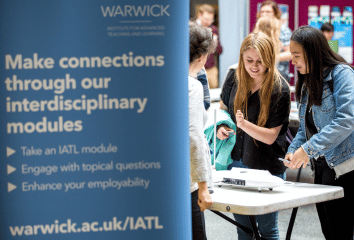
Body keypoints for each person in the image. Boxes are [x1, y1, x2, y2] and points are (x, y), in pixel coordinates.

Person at [218, 32, 291, 240]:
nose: (254, 66)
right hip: (235, 163)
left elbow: (270, 137)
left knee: (267, 231)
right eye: (249, 60)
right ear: (242, 57)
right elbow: (224, 109)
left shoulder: (280, 88)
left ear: (270, 59)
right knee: (243, 230)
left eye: (260, 61)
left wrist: (244, 125)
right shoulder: (234, 77)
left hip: (266, 168)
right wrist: (221, 126)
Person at [284, 26, 354, 240]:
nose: (293, 61)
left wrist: (308, 149)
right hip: (322, 168)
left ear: (313, 52)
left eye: (297, 56)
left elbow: (347, 119)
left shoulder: (342, 74)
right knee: (330, 231)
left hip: (345, 168)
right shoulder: (307, 81)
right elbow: (307, 128)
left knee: (341, 231)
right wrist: (294, 150)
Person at [189, 23, 214, 240]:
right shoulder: (191, 86)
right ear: (202, 57)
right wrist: (203, 186)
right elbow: (193, 135)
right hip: (185, 180)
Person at [258, 0, 292, 82]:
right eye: (262, 12)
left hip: (278, 76)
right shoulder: (258, 29)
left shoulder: (283, 30)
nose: (264, 14)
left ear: (275, 13)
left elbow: (291, 53)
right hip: (260, 75)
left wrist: (271, 58)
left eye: (268, 12)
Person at [196, 4, 223, 89]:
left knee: (213, 93)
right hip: (196, 68)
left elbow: (219, 50)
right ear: (199, 15)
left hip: (211, 68)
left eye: (211, 20)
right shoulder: (191, 27)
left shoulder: (213, 29)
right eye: (206, 19)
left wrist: (214, 41)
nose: (209, 22)